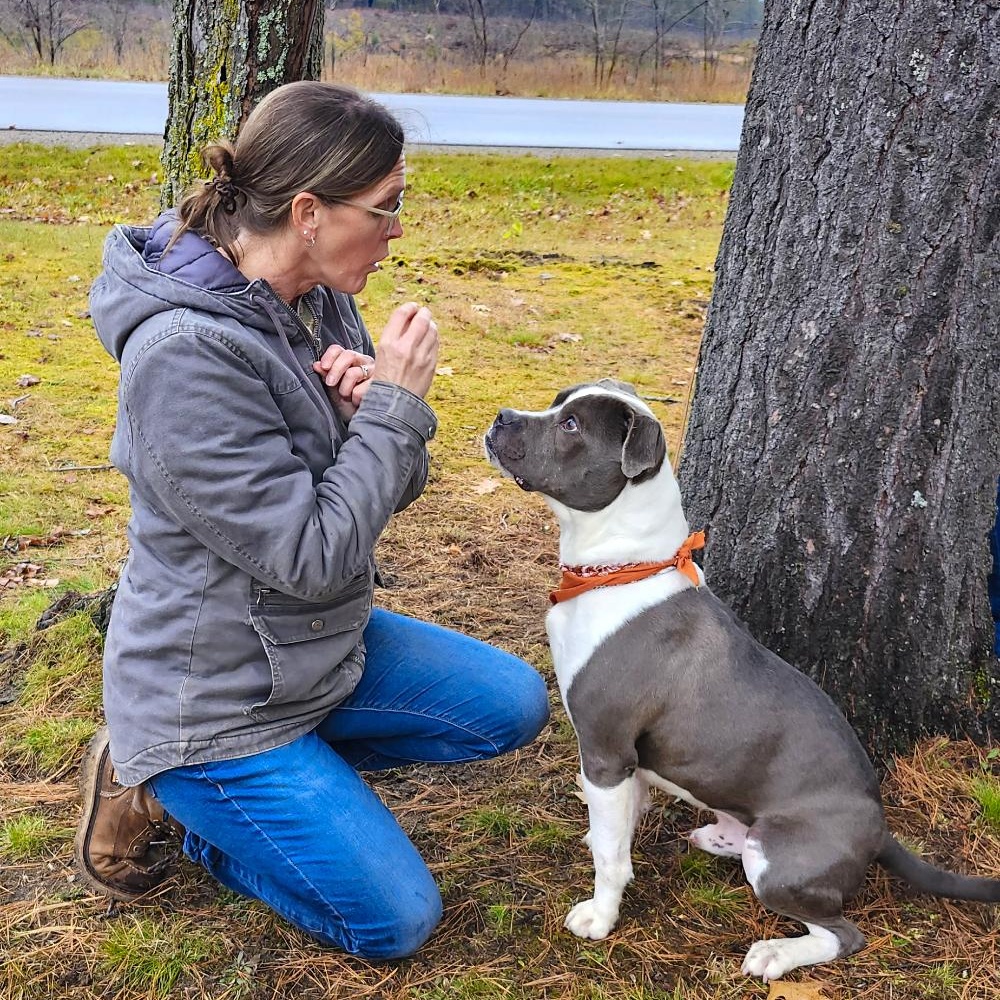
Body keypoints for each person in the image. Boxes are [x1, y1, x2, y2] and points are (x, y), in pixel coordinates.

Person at [73, 81, 549, 960]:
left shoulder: (314, 298)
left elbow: (384, 496)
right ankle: (175, 798)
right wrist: (395, 411)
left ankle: (277, 793)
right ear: (307, 211)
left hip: (311, 651)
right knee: (393, 922)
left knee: (509, 705)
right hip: (215, 699)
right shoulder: (184, 359)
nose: (399, 228)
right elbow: (318, 557)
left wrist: (370, 418)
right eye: (387, 206)